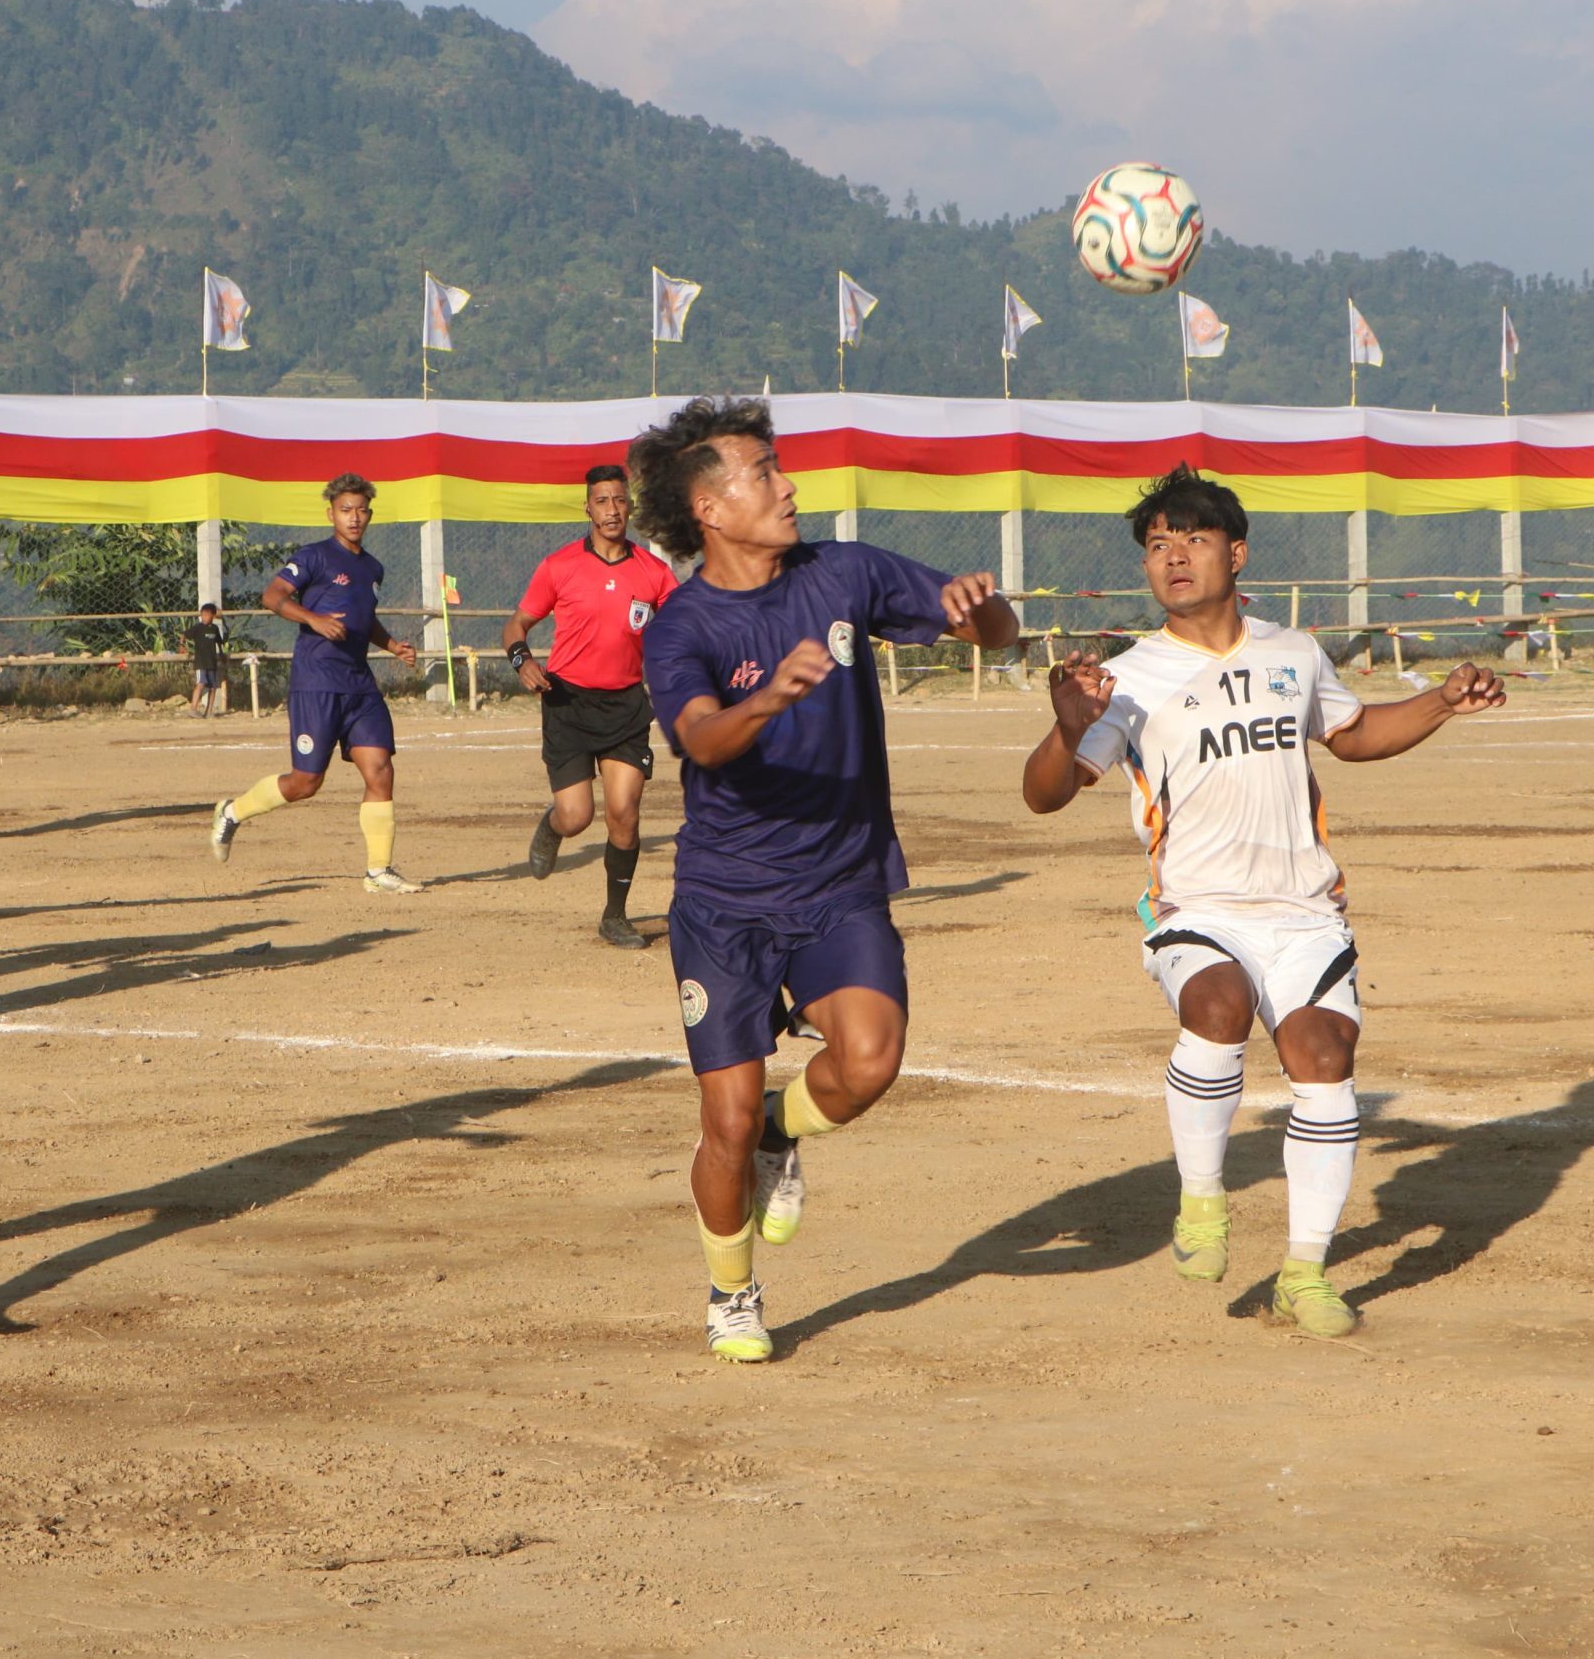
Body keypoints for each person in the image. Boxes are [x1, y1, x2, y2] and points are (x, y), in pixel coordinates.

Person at [1019, 466, 1505, 1339]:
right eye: (1157, 545)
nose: (1173, 558)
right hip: (1197, 907)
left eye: (1192, 540)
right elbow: (1044, 794)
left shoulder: (1294, 653)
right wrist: (1063, 724)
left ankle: (1304, 1272)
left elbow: (1352, 736)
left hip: (1305, 912)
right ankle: (1202, 1202)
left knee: (1324, 1066)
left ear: (1235, 552)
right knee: (1217, 1004)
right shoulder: (1127, 679)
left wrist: (1441, 701)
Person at [632, 396, 1017, 1363]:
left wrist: (985, 615)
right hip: (726, 900)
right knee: (718, 1118)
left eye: (779, 467)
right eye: (763, 472)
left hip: (841, 882)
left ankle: (781, 1130)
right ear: (710, 509)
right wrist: (766, 697)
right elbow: (701, 740)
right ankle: (732, 1294)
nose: (789, 484)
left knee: (870, 1061)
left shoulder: (843, 571)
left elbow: (996, 634)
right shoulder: (681, 627)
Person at [209, 473, 421, 890]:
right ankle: (232, 812)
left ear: (370, 514)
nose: (354, 517)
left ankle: (379, 871)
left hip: (359, 683)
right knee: (306, 782)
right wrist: (313, 619)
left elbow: (364, 617)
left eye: (361, 510)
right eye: (346, 510)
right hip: (317, 681)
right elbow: (272, 597)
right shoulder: (314, 556)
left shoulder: (372, 567)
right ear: (331, 514)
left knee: (379, 769)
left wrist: (392, 644)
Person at [504, 463, 678, 948]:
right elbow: (516, 625)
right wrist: (522, 661)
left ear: (630, 507)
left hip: (625, 706)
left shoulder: (654, 572)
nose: (612, 510)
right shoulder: (559, 566)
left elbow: (685, 625)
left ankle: (614, 916)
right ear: (587, 508)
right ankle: (554, 823)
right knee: (578, 815)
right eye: (602, 501)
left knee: (625, 813)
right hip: (567, 704)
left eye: (619, 500)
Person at [185, 601, 225, 717]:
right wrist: (182, 646)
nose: (205, 617)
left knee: (213, 687)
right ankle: (193, 708)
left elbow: (219, 642)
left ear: (213, 615)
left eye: (208, 615)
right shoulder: (198, 628)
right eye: (203, 615)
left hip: (211, 661)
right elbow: (185, 635)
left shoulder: (215, 629)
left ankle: (209, 711)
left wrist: (221, 654)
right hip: (201, 661)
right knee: (201, 683)